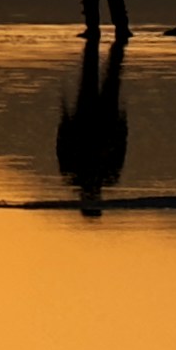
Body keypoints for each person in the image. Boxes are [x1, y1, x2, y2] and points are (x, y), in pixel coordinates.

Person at [54, 29, 127, 217]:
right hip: (102, 123)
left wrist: (65, 120)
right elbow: (120, 145)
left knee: (99, 74)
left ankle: (105, 33)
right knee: (108, 74)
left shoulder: (74, 175)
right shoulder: (108, 176)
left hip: (87, 121)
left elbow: (63, 144)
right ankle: (116, 32)